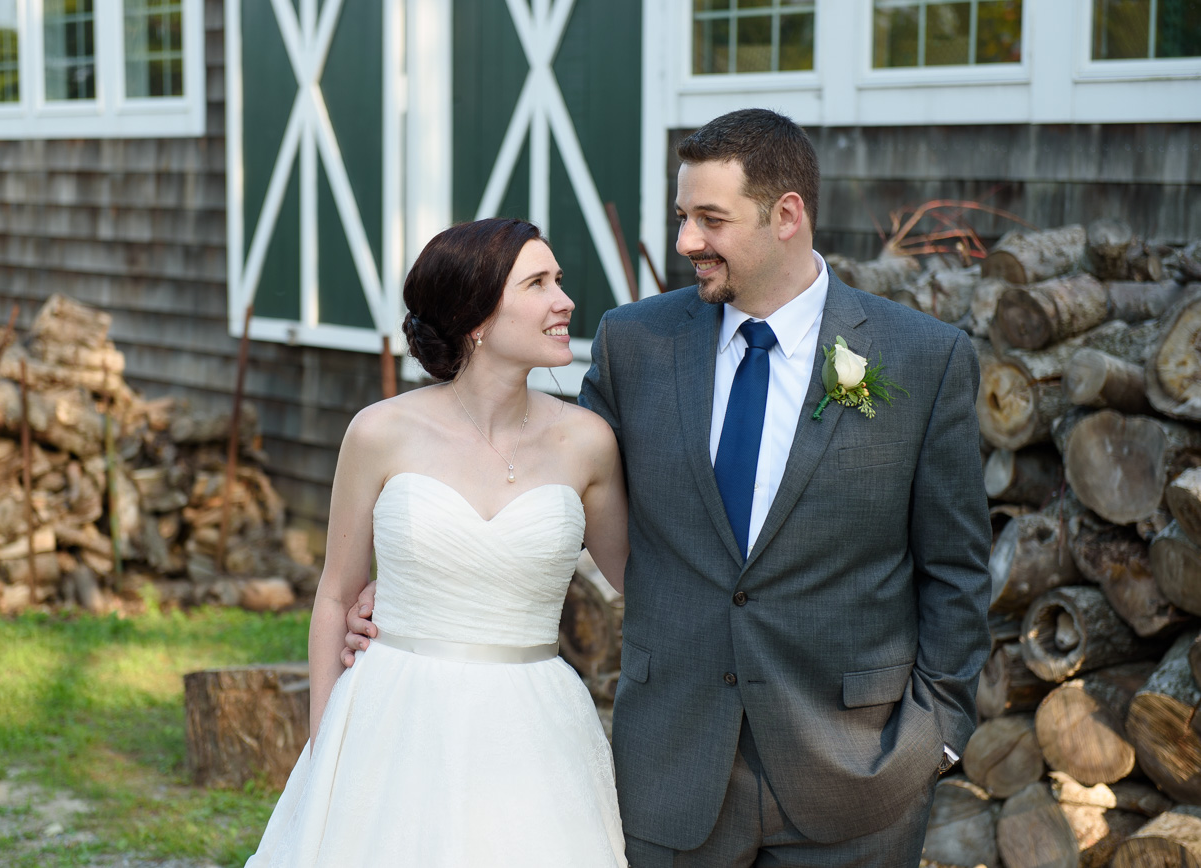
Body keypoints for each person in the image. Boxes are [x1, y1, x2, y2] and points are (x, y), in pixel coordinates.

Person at [348, 108, 992, 867]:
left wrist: (937, 737)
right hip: (672, 773)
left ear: (786, 215)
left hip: (857, 776)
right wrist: (426, 572)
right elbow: (544, 477)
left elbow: (956, 568)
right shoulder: (636, 343)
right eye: (683, 215)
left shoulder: (924, 359)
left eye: (709, 220)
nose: (687, 241)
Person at [247, 217, 630, 868]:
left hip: (535, 727)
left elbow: (645, 584)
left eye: (558, 281)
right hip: (392, 717)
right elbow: (336, 596)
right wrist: (326, 746)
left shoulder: (588, 442)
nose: (565, 301)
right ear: (476, 317)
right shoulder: (379, 433)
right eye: (538, 283)